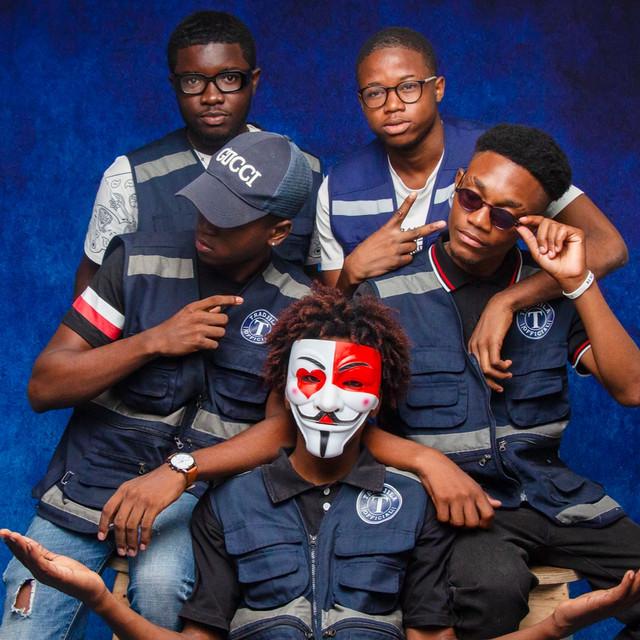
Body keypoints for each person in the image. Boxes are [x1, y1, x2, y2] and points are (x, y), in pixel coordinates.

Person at [3, 288, 640, 640]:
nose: (330, 400)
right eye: (311, 378)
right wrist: (100, 600)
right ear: (283, 389)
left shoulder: (411, 506)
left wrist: (556, 627)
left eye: (352, 381)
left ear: (381, 396)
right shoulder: (230, 504)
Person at [0, 131, 313, 638]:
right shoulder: (136, 261)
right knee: (26, 619)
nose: (207, 223)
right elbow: (45, 385)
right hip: (90, 479)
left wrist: (181, 472)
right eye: (206, 202)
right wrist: (152, 341)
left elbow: (281, 430)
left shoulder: (300, 305)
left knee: (164, 586)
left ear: (277, 232)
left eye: (228, 217)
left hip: (197, 496)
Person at [361, 123, 640, 639]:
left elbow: (632, 389)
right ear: (458, 182)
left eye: (505, 215)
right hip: (465, 511)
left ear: (531, 222)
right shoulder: (386, 295)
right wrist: (426, 462)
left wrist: (577, 282)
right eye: (471, 198)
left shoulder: (549, 288)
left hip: (555, 498)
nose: (478, 220)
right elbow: (350, 427)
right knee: (492, 587)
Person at [311, 26, 627, 392]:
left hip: (503, 368)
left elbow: (608, 247)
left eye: (408, 87)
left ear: (438, 88)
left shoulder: (498, 159)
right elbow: (333, 327)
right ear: (361, 100)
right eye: (375, 92)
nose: (392, 105)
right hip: (406, 383)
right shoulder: (338, 186)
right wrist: (352, 273)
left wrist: (509, 300)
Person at [75, 10, 322, 296]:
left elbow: (314, 286)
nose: (212, 97)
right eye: (193, 81)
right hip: (163, 327)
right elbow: (92, 294)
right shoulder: (130, 177)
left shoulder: (304, 172)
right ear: (175, 85)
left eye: (229, 78)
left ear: (253, 81)